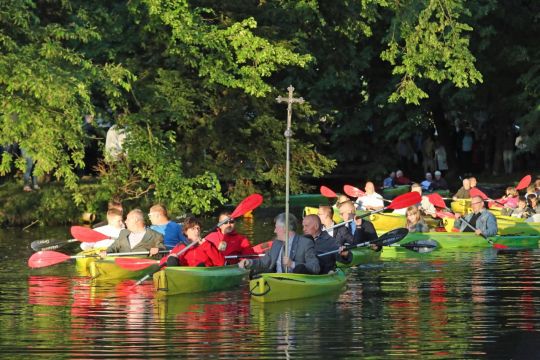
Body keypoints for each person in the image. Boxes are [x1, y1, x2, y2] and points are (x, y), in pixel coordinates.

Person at [238, 213, 320, 275]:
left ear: (285, 229)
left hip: (295, 283)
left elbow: (315, 267)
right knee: (254, 274)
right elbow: (265, 262)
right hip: (276, 281)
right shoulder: (276, 243)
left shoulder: (305, 243)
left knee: (299, 268)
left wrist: (292, 264)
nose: (274, 231)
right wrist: (249, 262)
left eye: (276, 227)